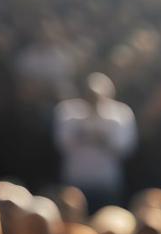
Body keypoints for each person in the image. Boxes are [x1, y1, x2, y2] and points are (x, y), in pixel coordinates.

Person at [53, 73, 137, 211]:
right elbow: (62, 143)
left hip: (106, 184)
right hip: (75, 182)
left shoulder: (122, 114)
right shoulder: (67, 111)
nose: (93, 100)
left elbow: (125, 148)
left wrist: (99, 136)